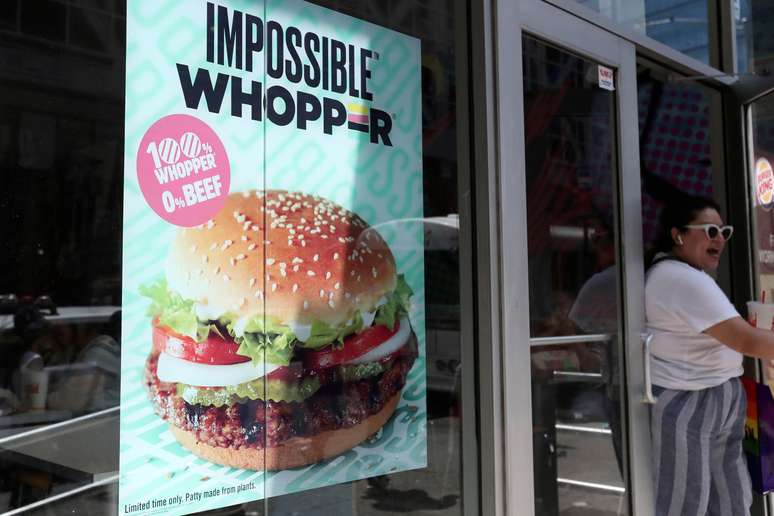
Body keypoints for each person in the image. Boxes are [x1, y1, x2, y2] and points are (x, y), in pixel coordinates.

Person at [647, 195, 774, 516]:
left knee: (729, 499)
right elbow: (747, 342)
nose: (720, 239)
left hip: (717, 396)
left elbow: (732, 335)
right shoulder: (680, 278)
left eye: (724, 232)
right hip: (690, 399)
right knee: (687, 503)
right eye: (710, 231)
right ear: (678, 235)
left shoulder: (689, 277)